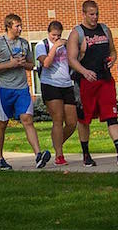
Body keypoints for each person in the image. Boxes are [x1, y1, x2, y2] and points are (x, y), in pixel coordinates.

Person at [0, 14, 47, 169]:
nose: (20, 29)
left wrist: (22, 64)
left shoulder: (24, 43)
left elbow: (31, 64)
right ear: (8, 26)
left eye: (21, 25)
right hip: (4, 88)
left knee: (27, 119)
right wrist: (10, 64)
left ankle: (38, 155)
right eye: (17, 26)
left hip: (21, 88)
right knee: (2, 123)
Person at [68, 0, 118, 163]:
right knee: (84, 119)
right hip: (84, 82)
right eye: (91, 14)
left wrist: (113, 59)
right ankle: (86, 154)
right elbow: (71, 59)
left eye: (97, 14)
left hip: (104, 79)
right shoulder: (77, 33)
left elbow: (113, 50)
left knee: (111, 114)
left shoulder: (104, 29)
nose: (95, 17)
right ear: (84, 14)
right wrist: (84, 71)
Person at [36, 19, 86, 166]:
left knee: (72, 122)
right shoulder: (42, 45)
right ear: (48, 33)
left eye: (58, 36)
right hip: (50, 84)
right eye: (53, 36)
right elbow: (46, 63)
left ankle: (56, 143)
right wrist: (54, 47)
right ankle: (59, 155)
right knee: (58, 119)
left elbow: (75, 59)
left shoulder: (65, 45)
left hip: (66, 84)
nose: (56, 38)